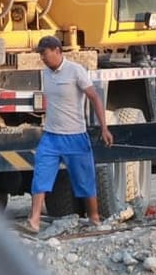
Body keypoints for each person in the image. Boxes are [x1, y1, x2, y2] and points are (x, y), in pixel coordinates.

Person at [24, 35, 115, 233]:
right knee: (41, 175)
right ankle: (34, 220)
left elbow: (94, 98)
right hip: (51, 137)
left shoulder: (76, 71)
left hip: (75, 136)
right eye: (40, 54)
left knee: (85, 179)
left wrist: (104, 128)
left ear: (57, 51)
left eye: (45, 53)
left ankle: (94, 218)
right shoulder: (45, 73)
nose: (43, 58)